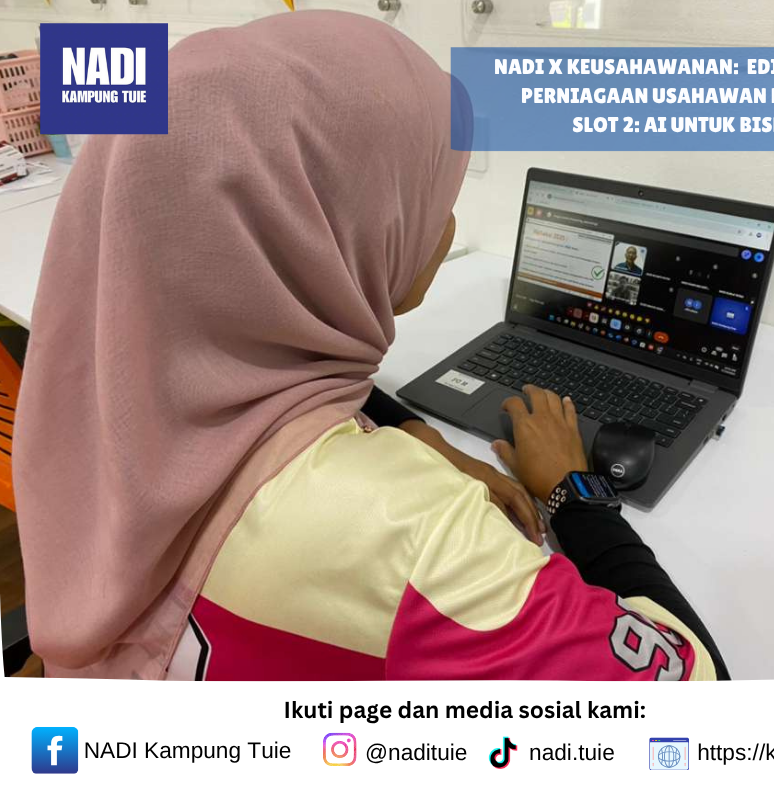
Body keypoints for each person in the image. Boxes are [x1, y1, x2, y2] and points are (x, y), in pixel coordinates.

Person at [15, 12, 727, 681]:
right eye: (428, 192)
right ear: (319, 228)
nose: (445, 224)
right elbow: (699, 691)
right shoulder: (417, 538)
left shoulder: (94, 393)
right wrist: (576, 494)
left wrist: (417, 433)